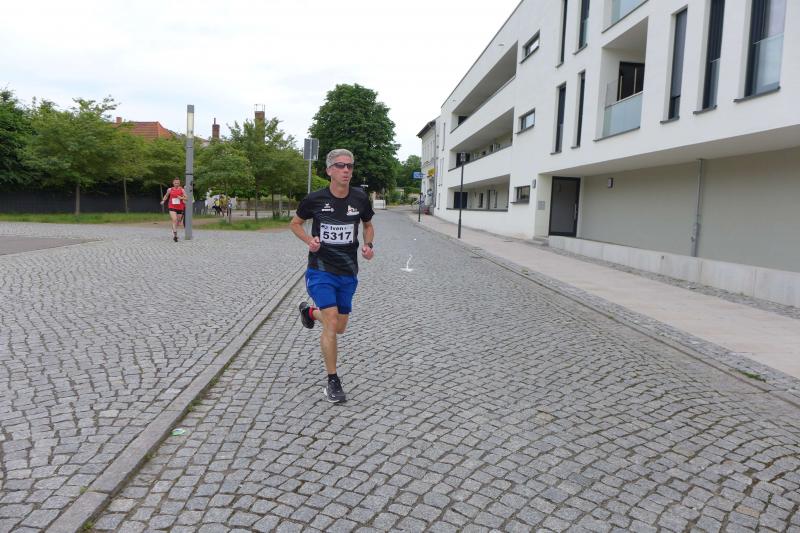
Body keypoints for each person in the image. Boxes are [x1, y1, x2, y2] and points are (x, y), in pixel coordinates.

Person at [290, 148, 375, 403]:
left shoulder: (360, 198)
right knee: (330, 321)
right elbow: (295, 223)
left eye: (349, 166)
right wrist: (309, 240)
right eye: (340, 166)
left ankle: (309, 312)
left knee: (339, 327)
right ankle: (333, 381)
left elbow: (368, 225)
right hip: (320, 270)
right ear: (329, 170)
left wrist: (369, 245)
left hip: (348, 272)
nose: (346, 170)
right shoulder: (314, 199)